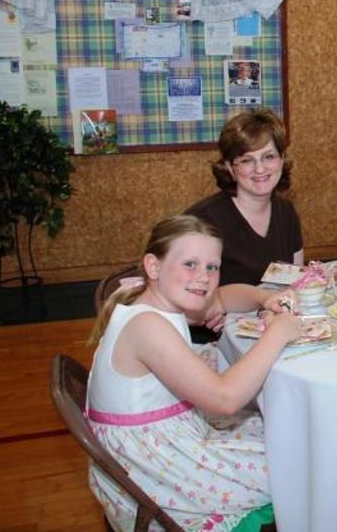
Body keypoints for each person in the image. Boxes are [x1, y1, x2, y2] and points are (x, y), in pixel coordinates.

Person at [86, 215, 303, 532]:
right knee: (299, 463)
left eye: (212, 267)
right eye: (190, 264)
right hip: (156, 469)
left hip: (163, 444)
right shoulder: (147, 326)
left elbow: (223, 297)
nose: (203, 278)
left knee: (286, 431)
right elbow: (225, 399)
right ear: (153, 266)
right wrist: (278, 333)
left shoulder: (159, 301)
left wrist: (264, 298)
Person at [187, 109, 303, 286]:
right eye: (246, 160)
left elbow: (298, 282)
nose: (260, 169)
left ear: (281, 160)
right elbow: (187, 292)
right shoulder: (202, 221)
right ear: (230, 167)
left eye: (269, 157)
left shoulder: (286, 211)